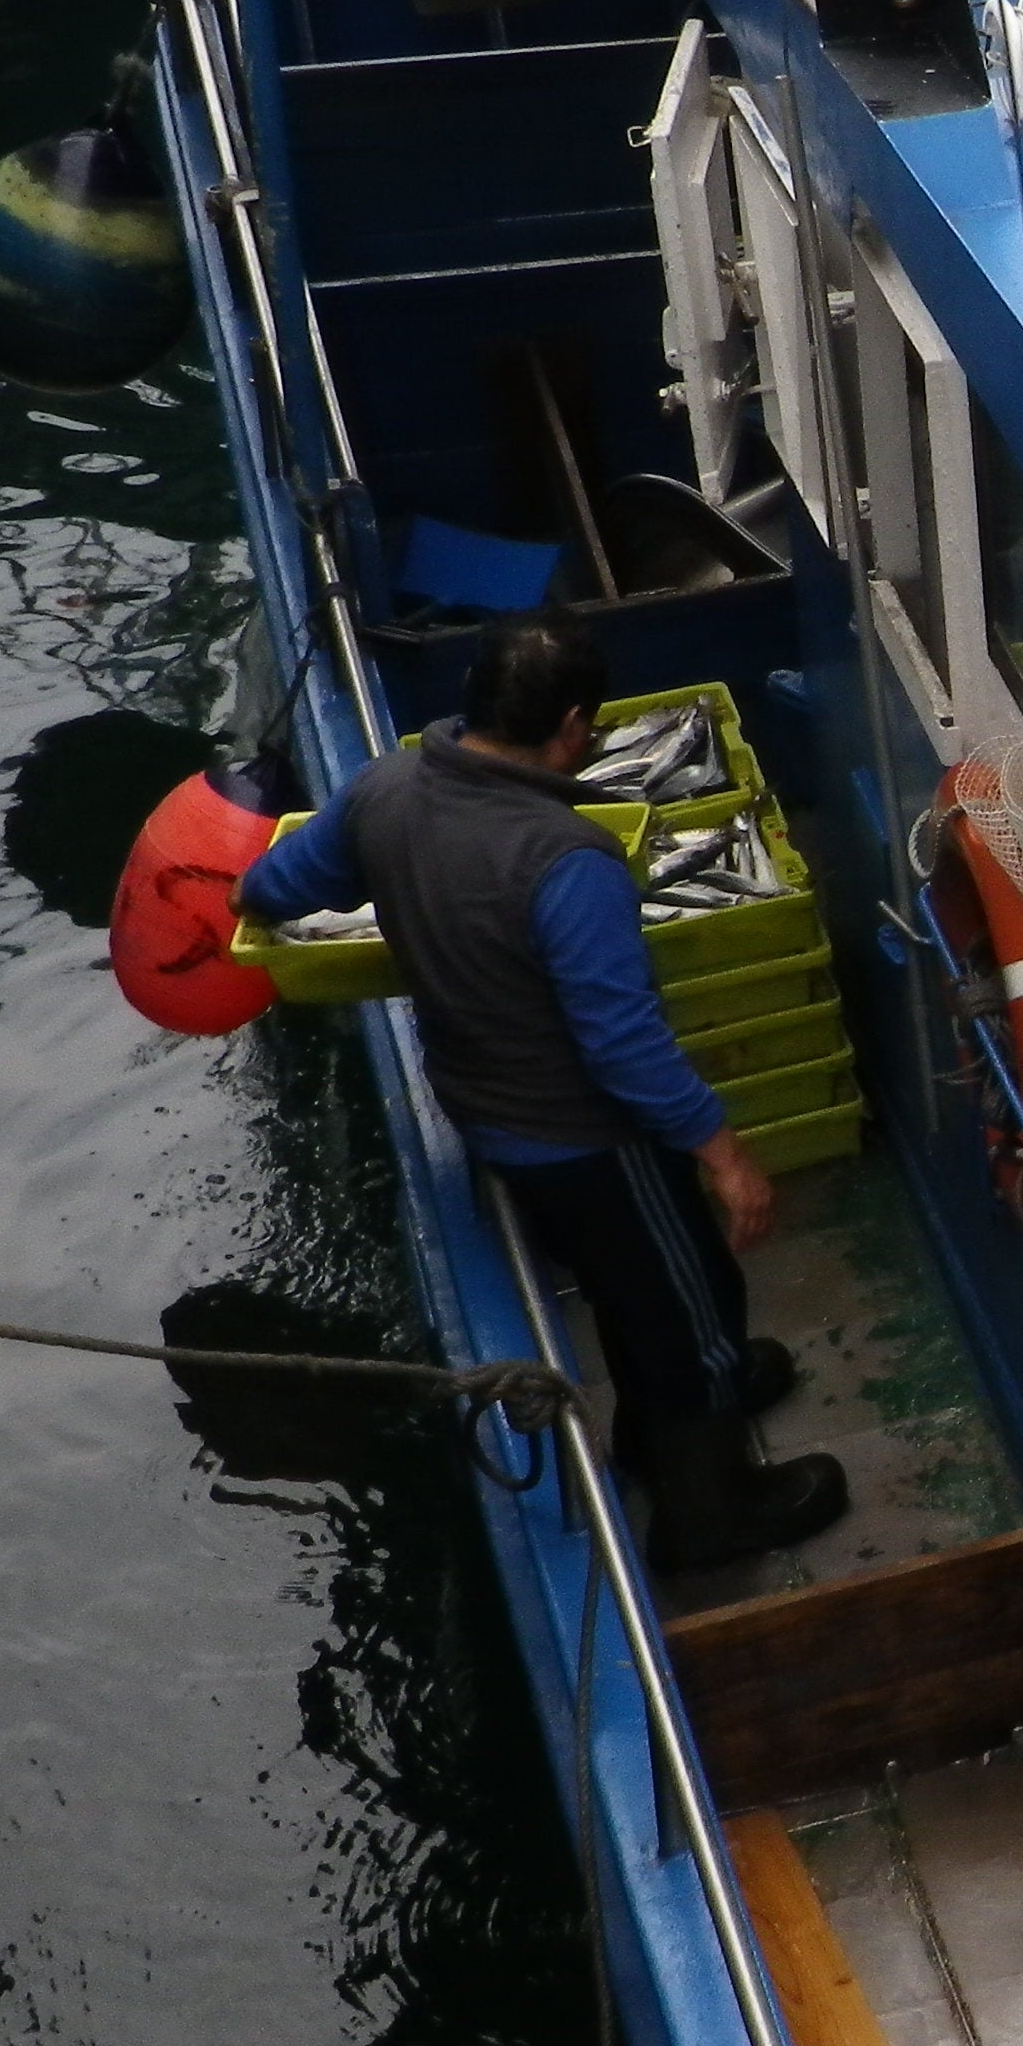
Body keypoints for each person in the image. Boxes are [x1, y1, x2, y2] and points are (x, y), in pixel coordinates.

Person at [237, 611, 844, 1569]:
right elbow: (623, 1046)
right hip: (586, 1139)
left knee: (629, 1286)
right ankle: (708, 1514)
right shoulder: (568, 861)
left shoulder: (382, 789)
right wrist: (724, 1156)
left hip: (485, 1112)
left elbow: (272, 888)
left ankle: (652, 1434)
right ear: (571, 728)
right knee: (695, 1304)